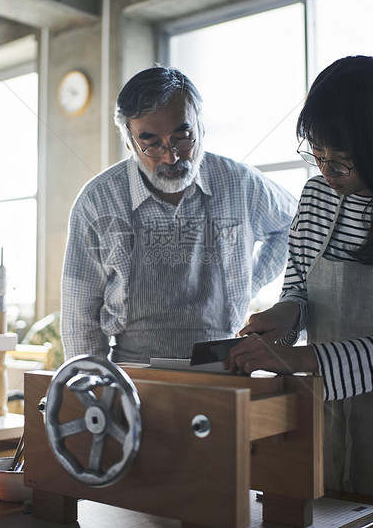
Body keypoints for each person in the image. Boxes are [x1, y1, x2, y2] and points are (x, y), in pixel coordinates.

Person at [225, 55, 373, 528]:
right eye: (317, 155)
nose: (326, 170)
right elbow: (299, 285)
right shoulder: (315, 198)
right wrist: (287, 316)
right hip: (321, 423)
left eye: (340, 160)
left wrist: (296, 362)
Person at [62, 66, 297, 364]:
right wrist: (98, 388)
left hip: (223, 365)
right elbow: (79, 317)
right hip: (132, 372)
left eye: (182, 138)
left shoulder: (240, 183)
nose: (170, 156)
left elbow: (294, 224)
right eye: (151, 144)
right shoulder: (98, 201)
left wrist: (251, 280)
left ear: (200, 126)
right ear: (129, 142)